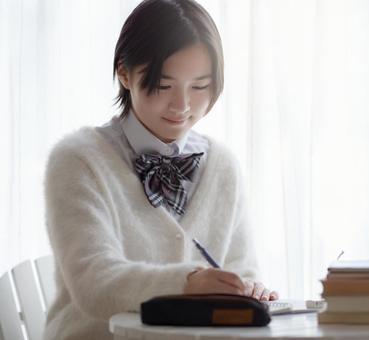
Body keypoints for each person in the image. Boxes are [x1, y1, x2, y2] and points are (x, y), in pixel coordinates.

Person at [43, 0, 277, 339]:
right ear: (124, 72)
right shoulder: (78, 161)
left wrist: (247, 290)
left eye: (199, 86)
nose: (182, 106)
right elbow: (94, 283)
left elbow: (242, 269)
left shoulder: (222, 166)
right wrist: (188, 283)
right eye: (164, 85)